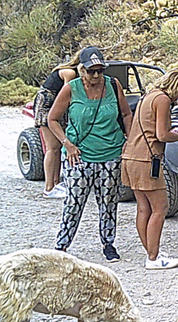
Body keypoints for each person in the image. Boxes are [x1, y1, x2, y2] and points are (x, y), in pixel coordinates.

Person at [47, 46, 132, 262]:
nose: (96, 75)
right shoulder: (71, 88)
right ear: (81, 69)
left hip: (111, 153)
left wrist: (129, 141)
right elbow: (52, 119)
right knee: (74, 203)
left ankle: (108, 244)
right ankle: (62, 245)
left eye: (99, 70)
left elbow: (125, 113)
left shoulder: (113, 85)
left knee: (108, 202)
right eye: (91, 71)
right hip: (80, 155)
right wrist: (67, 144)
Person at [121, 68, 178, 270]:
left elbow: (152, 129)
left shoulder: (149, 95)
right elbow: (162, 135)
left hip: (130, 156)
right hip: (147, 160)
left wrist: (176, 132)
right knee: (160, 208)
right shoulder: (163, 100)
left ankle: (151, 252)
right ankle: (154, 258)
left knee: (143, 208)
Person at [33, 51, 81, 198]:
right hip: (48, 105)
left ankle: (56, 183)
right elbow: (67, 93)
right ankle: (48, 188)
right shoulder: (69, 73)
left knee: (58, 148)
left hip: (56, 105)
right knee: (52, 147)